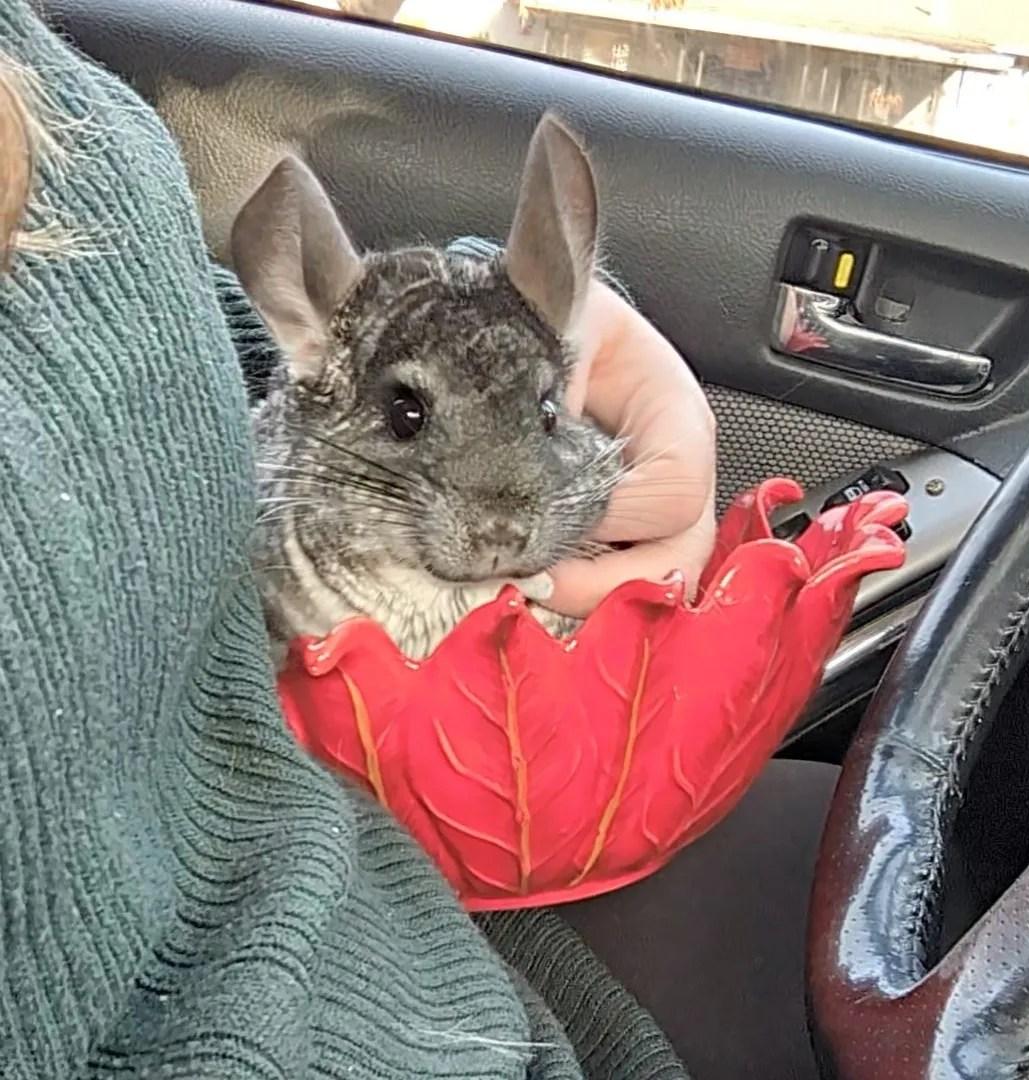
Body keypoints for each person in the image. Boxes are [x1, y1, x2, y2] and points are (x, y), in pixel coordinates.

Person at [0, 3, 835, 1077]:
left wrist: (539, 326)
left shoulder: (34, 52)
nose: (493, 521)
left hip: (396, 906)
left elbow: (179, 343)